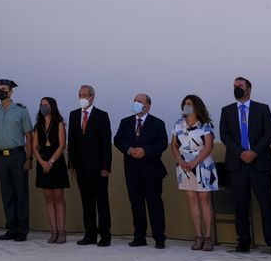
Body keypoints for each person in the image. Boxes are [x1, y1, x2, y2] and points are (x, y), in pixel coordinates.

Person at [220, 76, 271, 255]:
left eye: (239, 85)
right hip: (237, 164)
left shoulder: (262, 108)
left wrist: (254, 152)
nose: (236, 88)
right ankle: (243, 241)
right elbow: (224, 135)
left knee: (266, 203)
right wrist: (241, 153)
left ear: (248, 89)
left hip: (259, 162)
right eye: (234, 86)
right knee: (240, 204)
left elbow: (269, 132)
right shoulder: (227, 110)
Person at [115, 93, 168, 248]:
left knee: (154, 204)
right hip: (132, 170)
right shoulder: (125, 122)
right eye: (134, 101)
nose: (136, 103)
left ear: (148, 105)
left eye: (139, 101)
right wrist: (129, 149)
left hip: (152, 171)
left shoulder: (158, 123)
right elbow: (118, 140)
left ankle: (159, 237)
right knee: (136, 203)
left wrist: (145, 151)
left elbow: (162, 143)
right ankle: (139, 236)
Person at [172, 94, 219, 252]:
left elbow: (208, 146)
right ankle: (198, 236)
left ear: (197, 106)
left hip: (202, 165)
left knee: (204, 199)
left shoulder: (204, 124)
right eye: (185, 103)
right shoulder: (178, 124)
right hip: (184, 166)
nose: (187, 106)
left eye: (190, 103)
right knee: (192, 200)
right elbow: (173, 144)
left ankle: (208, 237)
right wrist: (180, 159)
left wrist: (195, 161)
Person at [70, 83, 114, 247]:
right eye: (79, 95)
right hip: (81, 168)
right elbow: (72, 142)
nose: (81, 98)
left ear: (92, 97)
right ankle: (90, 234)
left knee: (102, 202)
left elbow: (106, 144)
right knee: (86, 202)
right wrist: (72, 165)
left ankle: (105, 236)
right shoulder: (74, 115)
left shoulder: (102, 115)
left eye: (84, 95)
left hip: (98, 168)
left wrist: (106, 167)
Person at [0, 78, 32, 241]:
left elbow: (28, 135)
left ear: (11, 91)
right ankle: (11, 228)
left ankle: (22, 230)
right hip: (1, 157)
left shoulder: (21, 110)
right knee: (7, 194)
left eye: (4, 88)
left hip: (17, 156)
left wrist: (29, 157)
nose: (1, 91)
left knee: (21, 193)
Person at [31, 96, 69, 244]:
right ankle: (53, 231)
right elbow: (34, 147)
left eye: (45, 104)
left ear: (52, 107)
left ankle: (62, 231)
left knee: (58, 197)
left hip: (56, 163)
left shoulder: (59, 124)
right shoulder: (37, 126)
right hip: (43, 164)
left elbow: (62, 146)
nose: (43, 107)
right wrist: (42, 163)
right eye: (41, 104)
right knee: (48, 199)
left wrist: (51, 162)